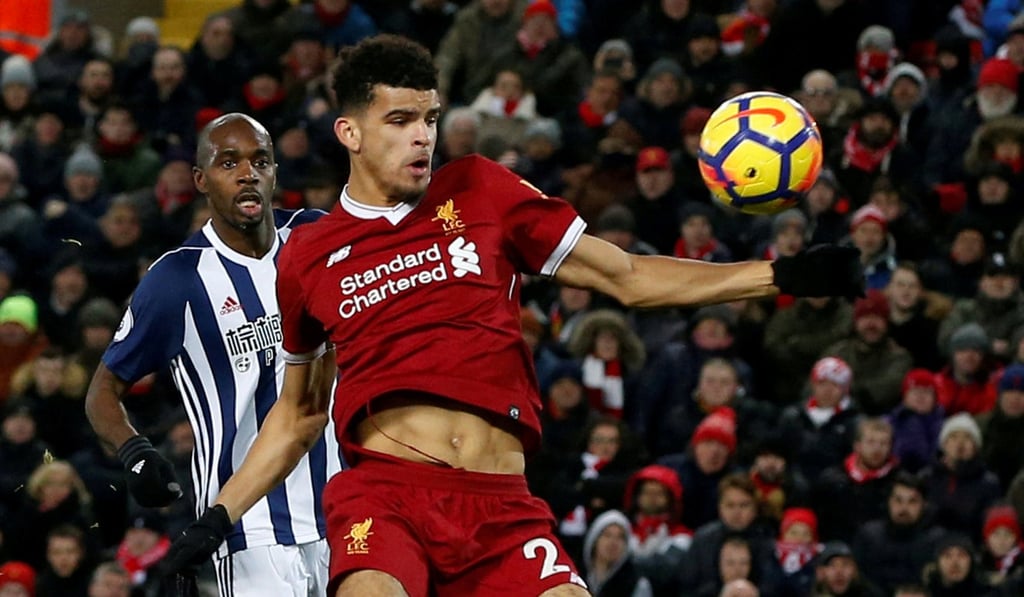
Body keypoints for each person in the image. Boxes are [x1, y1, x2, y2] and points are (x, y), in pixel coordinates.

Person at [160, 35, 862, 597]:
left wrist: (780, 275)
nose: (421, 138)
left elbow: (628, 276)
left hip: (501, 502)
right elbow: (300, 411)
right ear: (349, 130)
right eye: (399, 121)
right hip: (386, 493)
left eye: (429, 119)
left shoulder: (482, 190)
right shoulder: (307, 254)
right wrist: (217, 516)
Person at [83, 113, 340, 595]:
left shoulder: (316, 239)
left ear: (275, 173)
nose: (248, 173)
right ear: (201, 180)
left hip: (347, 510)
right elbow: (101, 391)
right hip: (247, 526)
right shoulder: (177, 279)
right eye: (228, 163)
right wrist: (135, 451)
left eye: (260, 161)